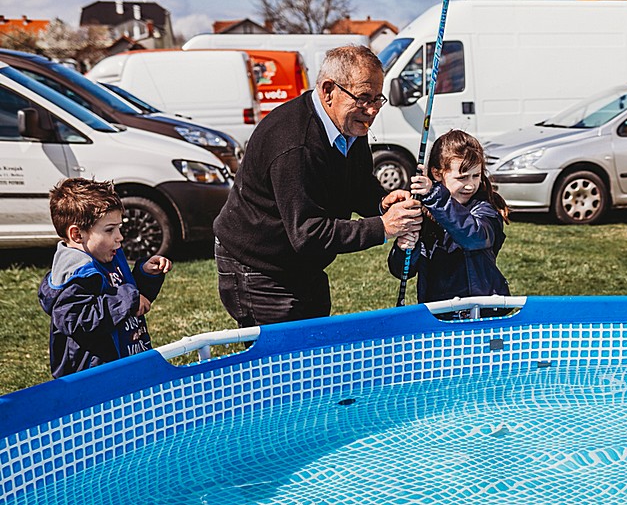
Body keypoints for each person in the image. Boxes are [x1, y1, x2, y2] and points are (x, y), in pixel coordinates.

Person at [214, 45, 421, 327]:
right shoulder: (295, 144)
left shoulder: (349, 125)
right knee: (281, 362)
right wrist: (383, 228)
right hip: (258, 267)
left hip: (299, 264)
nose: (372, 110)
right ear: (328, 91)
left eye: (377, 98)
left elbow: (356, 184)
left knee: (314, 342)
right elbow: (309, 234)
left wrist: (379, 202)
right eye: (363, 98)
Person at [38, 178, 172, 378]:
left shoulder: (107, 255)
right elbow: (75, 319)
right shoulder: (77, 272)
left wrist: (145, 275)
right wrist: (129, 300)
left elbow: (130, 295)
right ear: (77, 235)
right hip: (95, 374)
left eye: (119, 227)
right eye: (110, 230)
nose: (119, 236)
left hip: (126, 359)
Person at [388, 129, 511, 312]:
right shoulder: (424, 212)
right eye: (462, 177)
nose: (470, 185)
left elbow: (473, 236)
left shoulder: (485, 208)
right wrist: (405, 248)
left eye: (476, 175)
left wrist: (435, 196)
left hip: (484, 311)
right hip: (440, 313)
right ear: (437, 174)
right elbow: (401, 271)